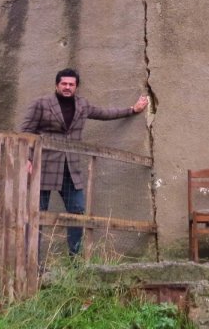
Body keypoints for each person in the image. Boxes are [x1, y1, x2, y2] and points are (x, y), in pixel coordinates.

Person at [20, 68, 147, 255]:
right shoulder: (41, 104)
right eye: (64, 84)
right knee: (37, 213)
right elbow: (25, 132)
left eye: (71, 84)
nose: (67, 87)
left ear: (76, 87)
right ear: (56, 85)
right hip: (43, 166)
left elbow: (104, 113)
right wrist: (27, 159)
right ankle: (32, 262)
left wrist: (132, 110)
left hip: (70, 169)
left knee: (77, 212)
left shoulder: (82, 105)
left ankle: (74, 260)